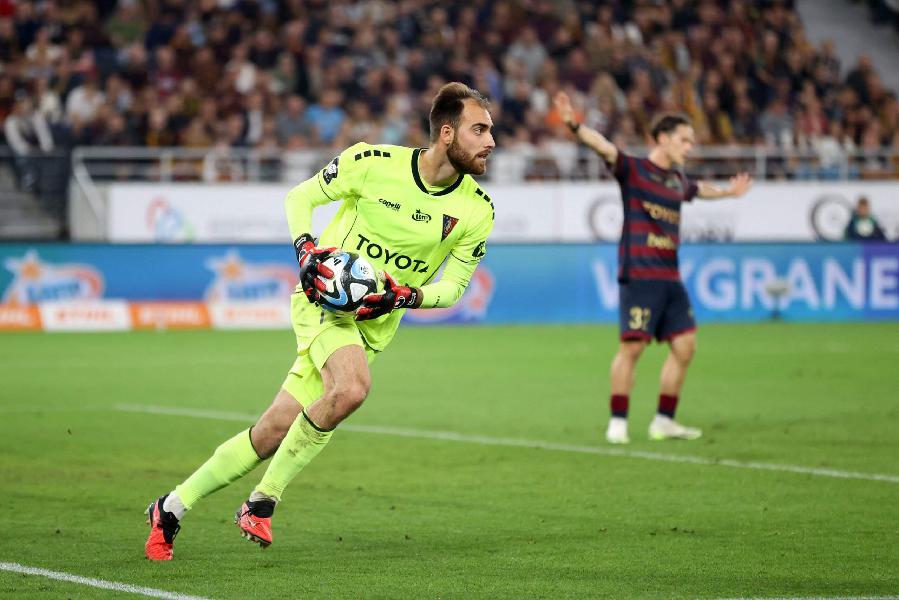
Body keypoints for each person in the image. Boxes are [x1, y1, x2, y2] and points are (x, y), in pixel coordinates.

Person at [144, 82, 496, 560]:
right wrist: (307, 250)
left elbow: (453, 287)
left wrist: (406, 295)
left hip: (373, 325)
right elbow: (299, 198)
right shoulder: (372, 162)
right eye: (480, 130)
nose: (491, 141)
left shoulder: (477, 210)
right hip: (323, 302)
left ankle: (170, 508)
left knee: (271, 432)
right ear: (447, 133)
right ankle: (262, 502)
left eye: (490, 131)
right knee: (352, 388)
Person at [554, 91, 753, 445]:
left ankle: (664, 421)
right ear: (662, 137)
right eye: (684, 140)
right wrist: (574, 125)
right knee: (632, 349)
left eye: (691, 141)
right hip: (640, 275)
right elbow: (604, 147)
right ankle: (618, 422)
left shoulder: (677, 181)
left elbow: (699, 190)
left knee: (686, 347)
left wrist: (728, 193)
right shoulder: (635, 170)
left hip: (670, 277)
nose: (689, 147)